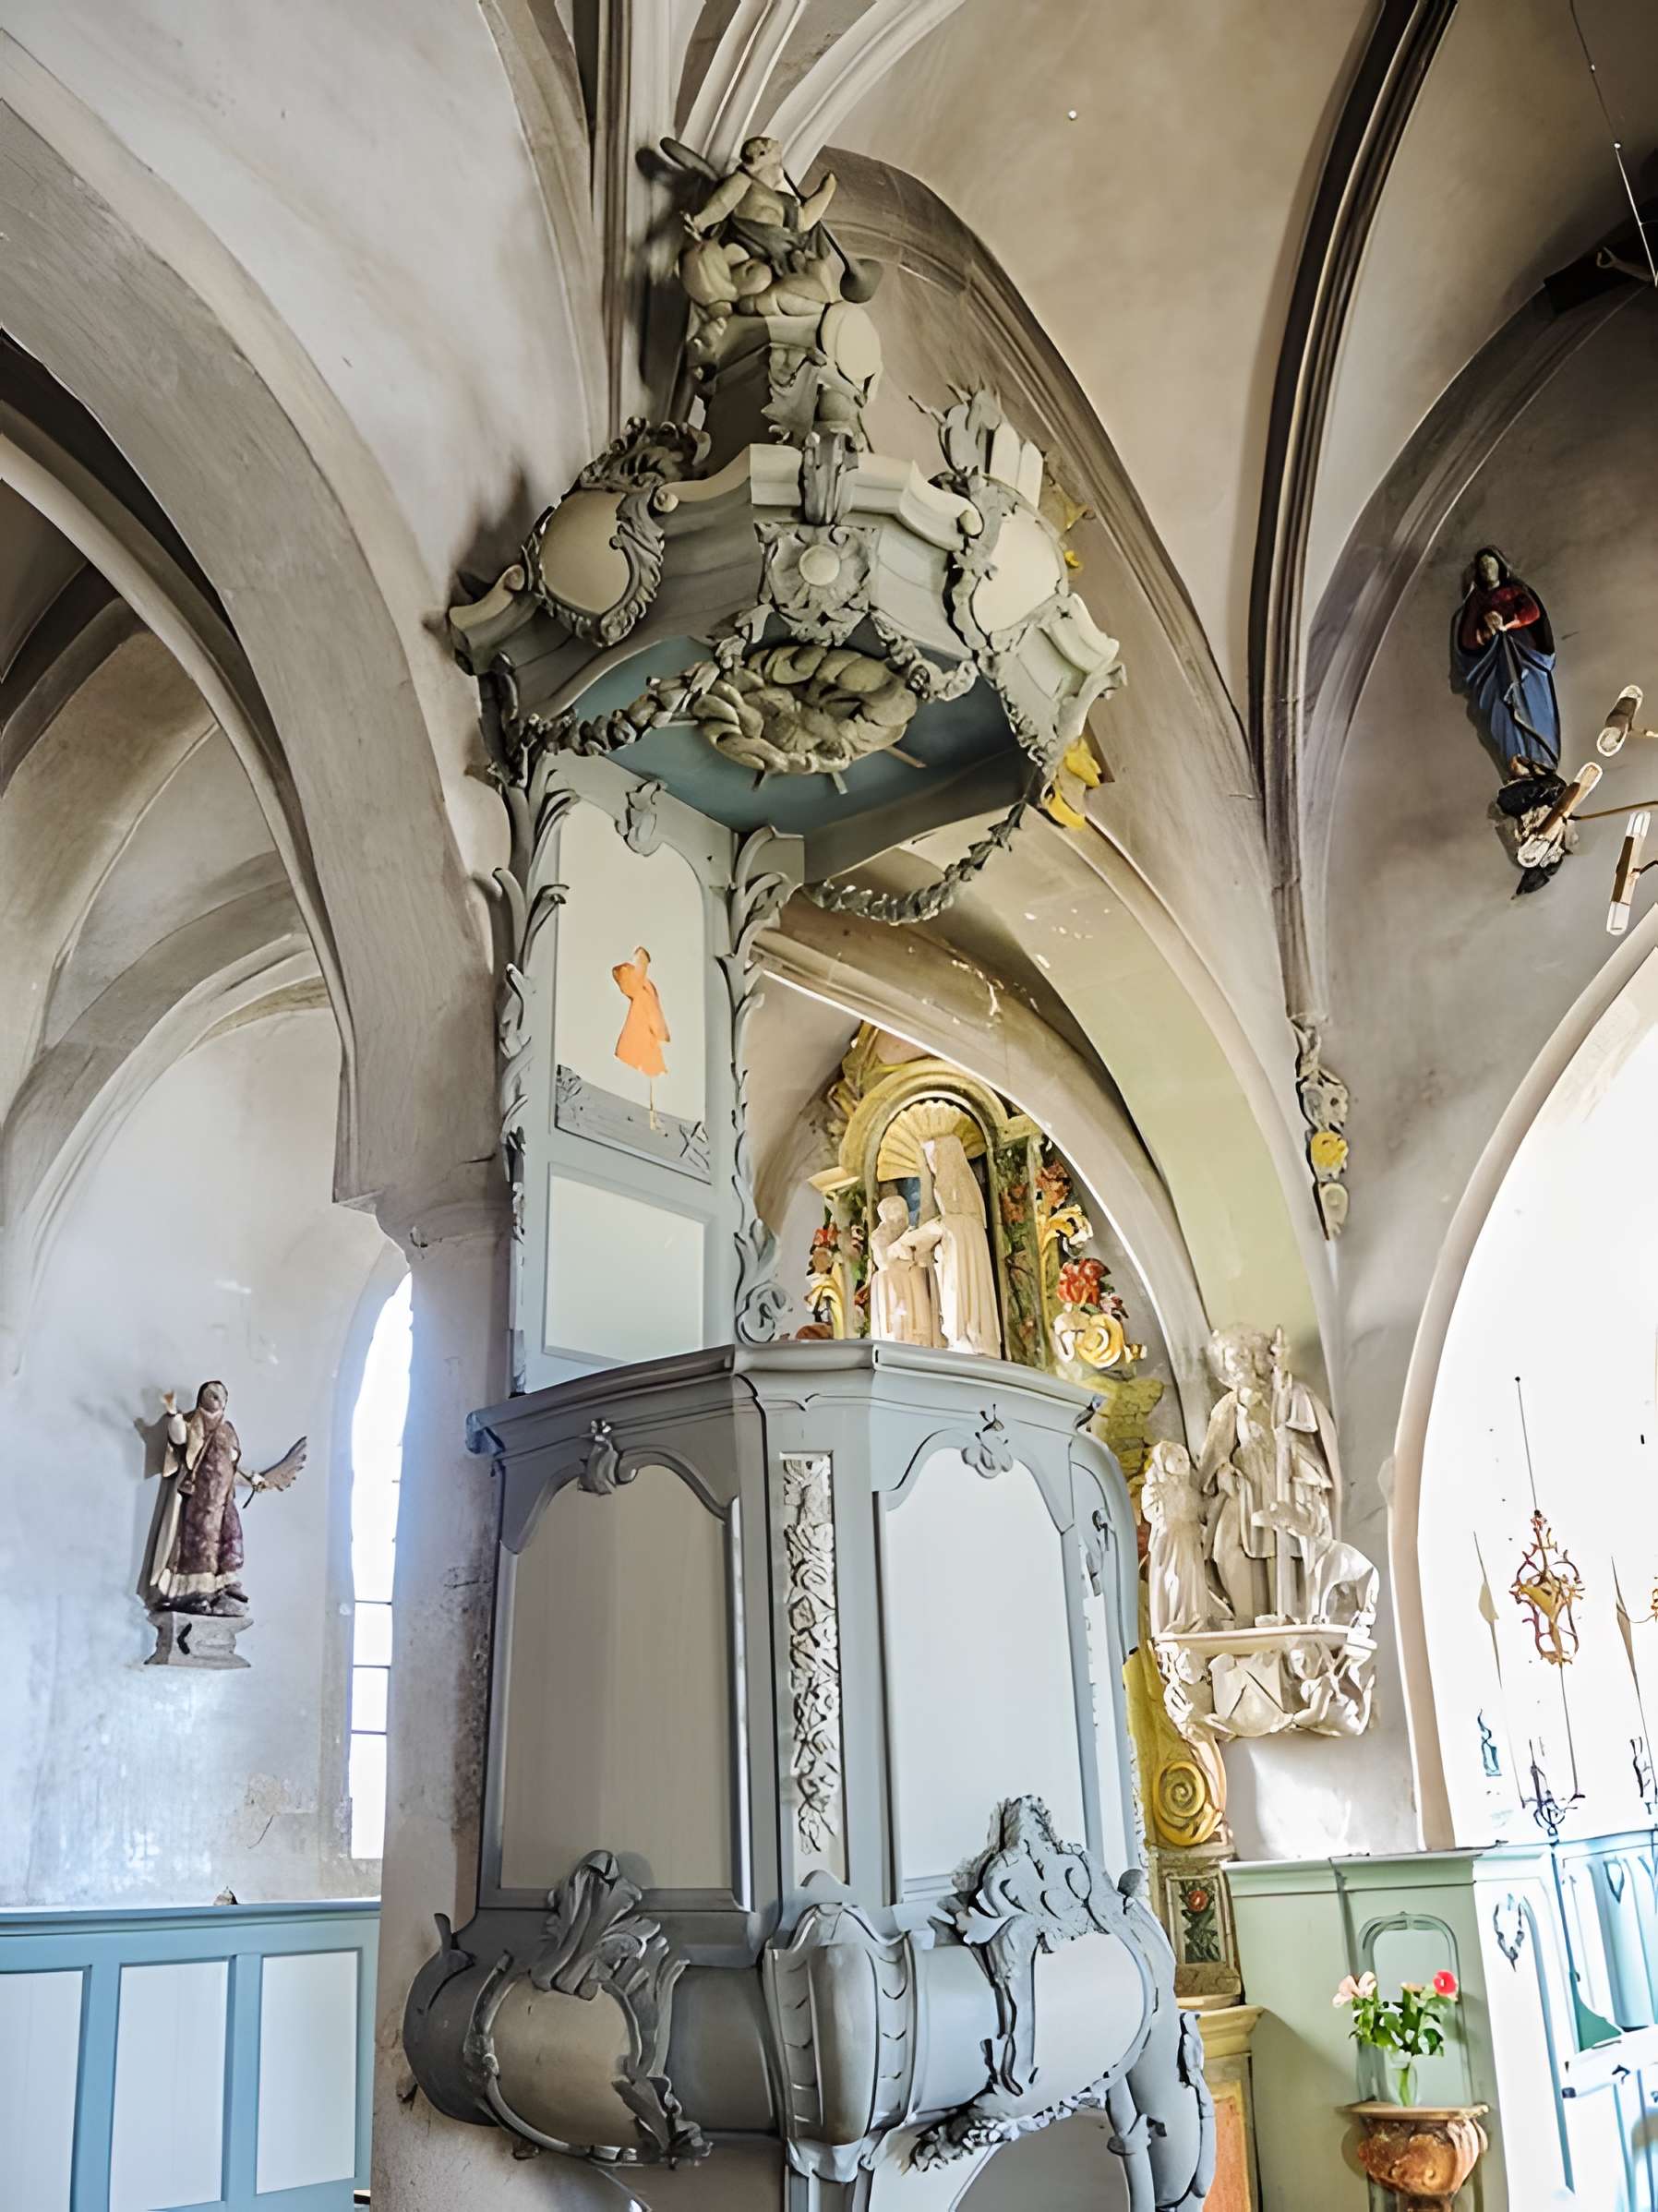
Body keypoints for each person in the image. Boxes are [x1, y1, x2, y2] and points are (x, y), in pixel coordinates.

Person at [140, 1382, 305, 1617]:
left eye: (221, 1396)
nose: (217, 1399)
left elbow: (229, 1466)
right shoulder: (194, 1422)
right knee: (200, 1542)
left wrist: (254, 1478)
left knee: (229, 1539)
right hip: (199, 1497)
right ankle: (195, 1591)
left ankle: (223, 1588)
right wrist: (172, 1413)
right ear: (201, 1398)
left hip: (223, 1498)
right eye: (212, 1394)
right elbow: (179, 1439)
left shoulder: (227, 1430)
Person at [1452, 546, 1561, 780]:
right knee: (1500, 709)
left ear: (1500, 567)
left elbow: (1532, 612)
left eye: (1490, 564)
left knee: (1532, 700)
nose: (1487, 569)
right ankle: (1515, 759)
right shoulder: (1476, 602)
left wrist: (1506, 622)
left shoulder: (1514, 591)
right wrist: (1485, 633)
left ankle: (1541, 757)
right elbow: (1467, 639)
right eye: (1482, 566)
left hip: (1523, 659)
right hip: (1492, 667)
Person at [907, 1135, 1000, 1358]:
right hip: (953, 1254)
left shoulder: (957, 1194)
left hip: (959, 1254)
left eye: (934, 1159)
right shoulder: (964, 1214)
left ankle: (968, 1335)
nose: (933, 1165)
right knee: (953, 1296)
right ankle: (964, 1336)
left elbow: (948, 1223)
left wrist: (918, 1237)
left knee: (959, 1293)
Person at [869, 1193, 941, 1348]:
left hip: (910, 1273)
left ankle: (923, 1334)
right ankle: (906, 1334)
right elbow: (883, 1260)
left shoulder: (907, 1230)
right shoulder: (879, 1235)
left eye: (900, 1209)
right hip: (893, 1278)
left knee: (918, 1276)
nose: (898, 1213)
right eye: (894, 1209)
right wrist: (899, 1247)